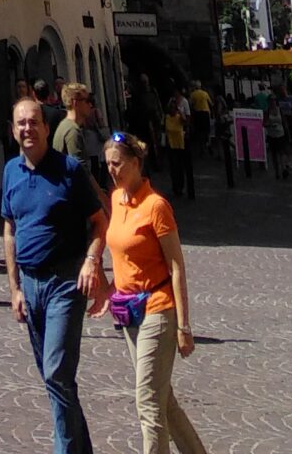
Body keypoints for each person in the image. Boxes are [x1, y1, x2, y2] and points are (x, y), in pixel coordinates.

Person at [0, 92, 107, 454]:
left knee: (57, 373)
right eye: (21, 123)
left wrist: (91, 261)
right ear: (13, 130)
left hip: (65, 284)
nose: (27, 128)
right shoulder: (11, 171)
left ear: (47, 128)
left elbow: (99, 222)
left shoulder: (69, 171)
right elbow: (10, 230)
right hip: (30, 285)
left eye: (34, 122)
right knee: (56, 381)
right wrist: (14, 288)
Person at [89, 132, 208, 454]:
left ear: (136, 163)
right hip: (129, 312)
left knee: (148, 402)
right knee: (163, 399)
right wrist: (109, 290)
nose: (112, 170)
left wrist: (184, 326)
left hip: (158, 309)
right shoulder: (116, 199)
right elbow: (124, 257)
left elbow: (176, 267)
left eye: (117, 164)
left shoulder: (156, 206)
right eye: (108, 164)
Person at [161, 99, 189, 200]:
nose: (173, 110)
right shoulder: (166, 117)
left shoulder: (179, 117)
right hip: (171, 145)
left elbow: (185, 122)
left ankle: (180, 186)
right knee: (173, 167)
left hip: (179, 145)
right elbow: (163, 129)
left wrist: (180, 112)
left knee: (180, 167)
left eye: (174, 108)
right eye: (171, 108)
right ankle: (175, 187)